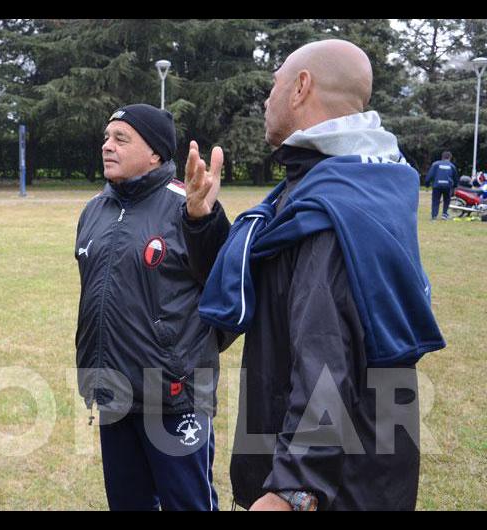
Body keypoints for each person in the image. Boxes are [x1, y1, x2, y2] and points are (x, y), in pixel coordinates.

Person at [182, 39, 445, 510]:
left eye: (275, 83)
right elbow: (265, 289)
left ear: (301, 87)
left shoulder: (332, 208)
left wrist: (292, 490)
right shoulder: (358, 183)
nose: (267, 98)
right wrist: (203, 224)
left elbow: (326, 359)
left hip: (339, 485)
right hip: (368, 467)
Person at [74, 103, 231, 510]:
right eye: (106, 138)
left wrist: (204, 222)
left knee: (187, 504)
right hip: (115, 392)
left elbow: (227, 297)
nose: (107, 146)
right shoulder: (94, 210)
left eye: (121, 139)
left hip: (174, 397)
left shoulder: (192, 206)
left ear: (156, 154)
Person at [425, 151, 458, 220]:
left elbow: (429, 175)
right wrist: (455, 187)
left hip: (437, 185)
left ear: (442, 157)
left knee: (435, 200)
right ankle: (444, 214)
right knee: (446, 200)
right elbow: (455, 178)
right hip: (447, 186)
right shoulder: (452, 166)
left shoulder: (435, 164)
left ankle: (434, 216)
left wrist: (427, 184)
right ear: (450, 158)